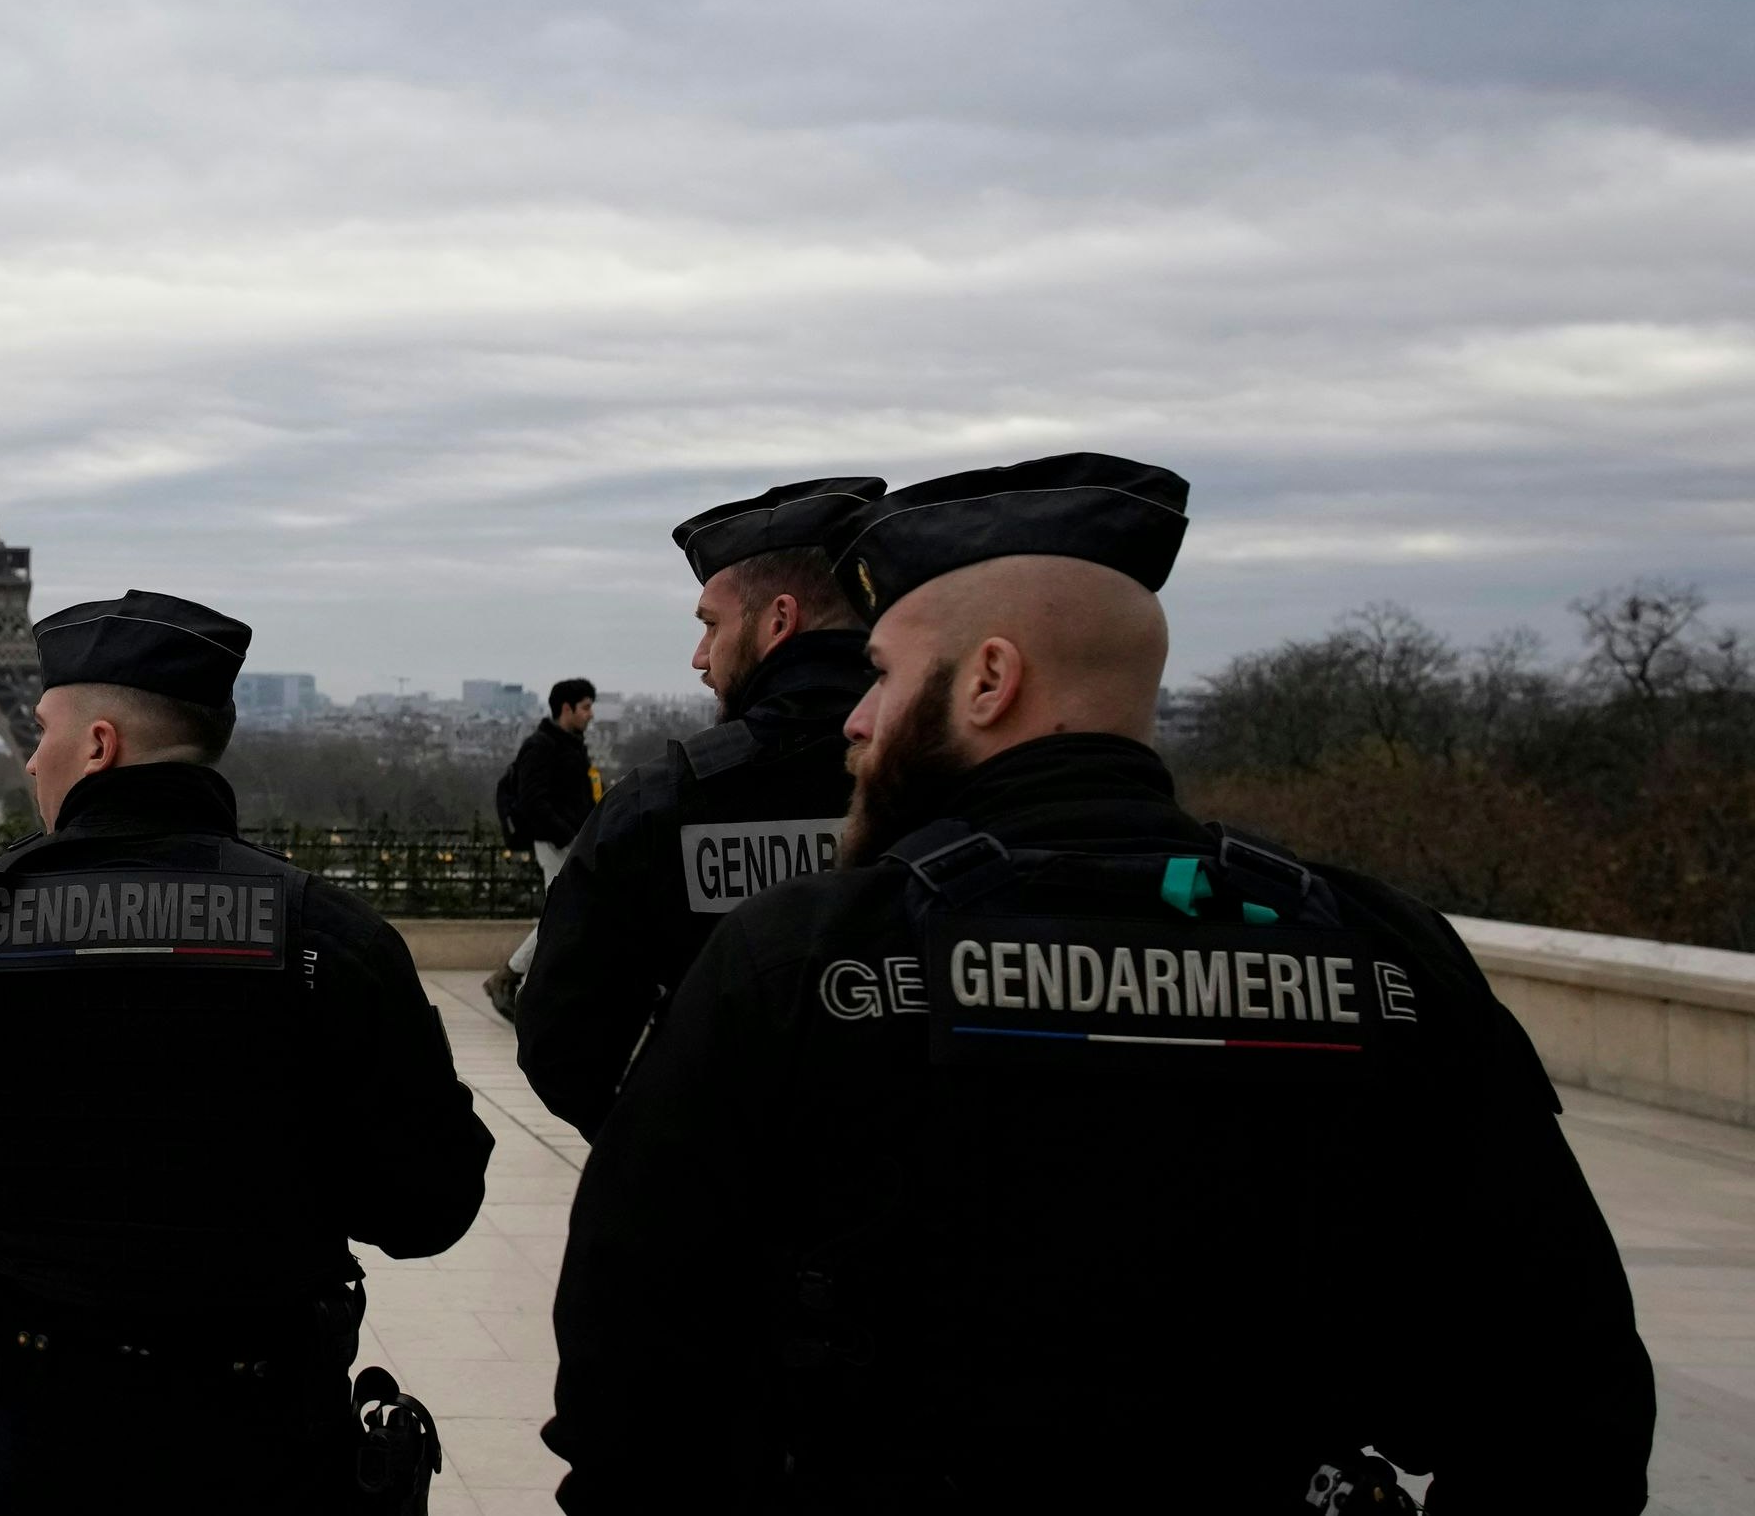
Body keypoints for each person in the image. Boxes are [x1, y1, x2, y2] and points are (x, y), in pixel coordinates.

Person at [545, 455, 1658, 1511]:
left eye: (882, 675)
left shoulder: (803, 963)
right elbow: (1566, 1393)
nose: (855, 716)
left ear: (990, 680)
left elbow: (629, 1377)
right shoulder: (1386, 958)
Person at [0, 592, 495, 1514]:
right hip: (272, 1445)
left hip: (47, 1435)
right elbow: (428, 1209)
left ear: (99, 745)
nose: (30, 758)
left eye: (42, 733)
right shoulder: (327, 935)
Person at [512, 477, 884, 1130]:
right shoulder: (949, 784)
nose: (700, 657)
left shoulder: (660, 804)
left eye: (712, 625)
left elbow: (561, 1043)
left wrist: (671, 1148)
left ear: (779, 621)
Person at [482, 677, 598, 1021]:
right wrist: (569, 836)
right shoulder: (542, 747)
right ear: (566, 709)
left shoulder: (568, 745)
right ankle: (510, 977)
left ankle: (518, 979)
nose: (591, 714)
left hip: (568, 841)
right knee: (562, 915)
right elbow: (534, 801)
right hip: (556, 843)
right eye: (586, 707)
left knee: (564, 914)